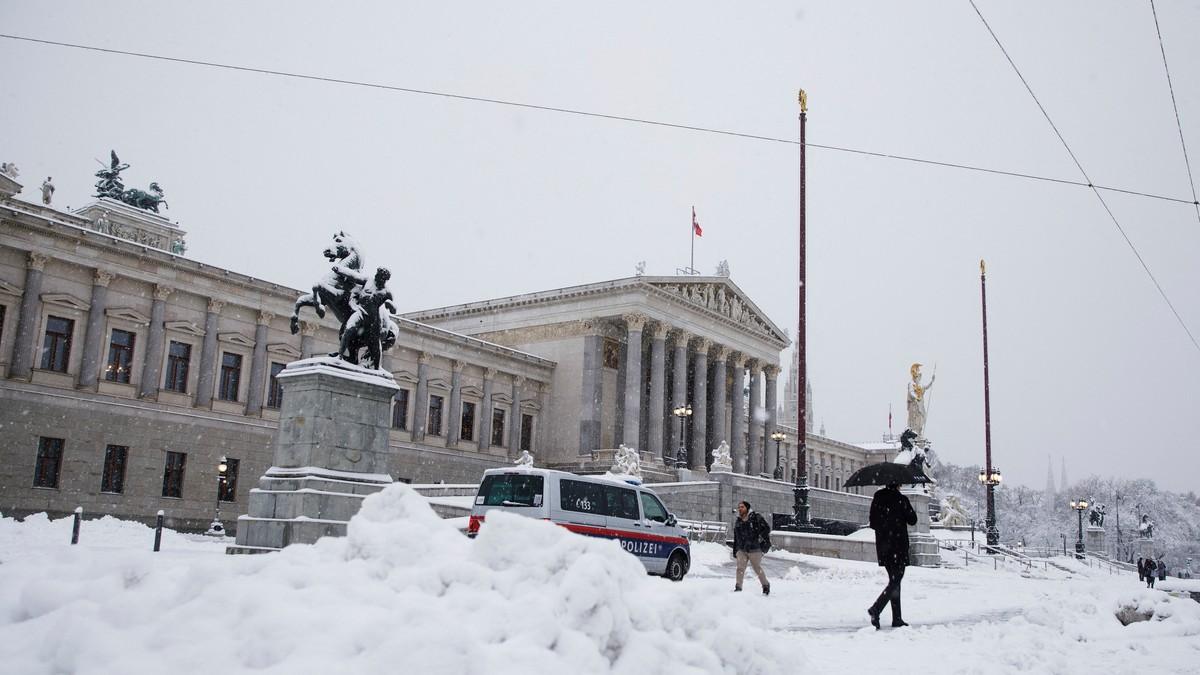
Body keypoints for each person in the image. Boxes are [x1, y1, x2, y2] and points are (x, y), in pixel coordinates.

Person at [868, 480, 918, 629]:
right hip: (898, 545)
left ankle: (897, 618)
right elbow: (913, 520)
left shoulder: (877, 498)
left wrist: (885, 527)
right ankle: (876, 608)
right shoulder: (901, 499)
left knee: (894, 580)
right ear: (898, 485)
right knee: (896, 580)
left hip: (884, 546)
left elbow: (872, 523)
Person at [731, 500, 771, 595]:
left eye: (742, 507)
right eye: (739, 507)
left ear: (747, 508)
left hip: (755, 549)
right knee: (740, 568)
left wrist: (759, 540)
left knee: (757, 568)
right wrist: (735, 550)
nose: (740, 509)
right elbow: (736, 537)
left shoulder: (756, 517)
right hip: (742, 549)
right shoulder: (738, 521)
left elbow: (766, 529)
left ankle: (765, 585)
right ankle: (738, 587)